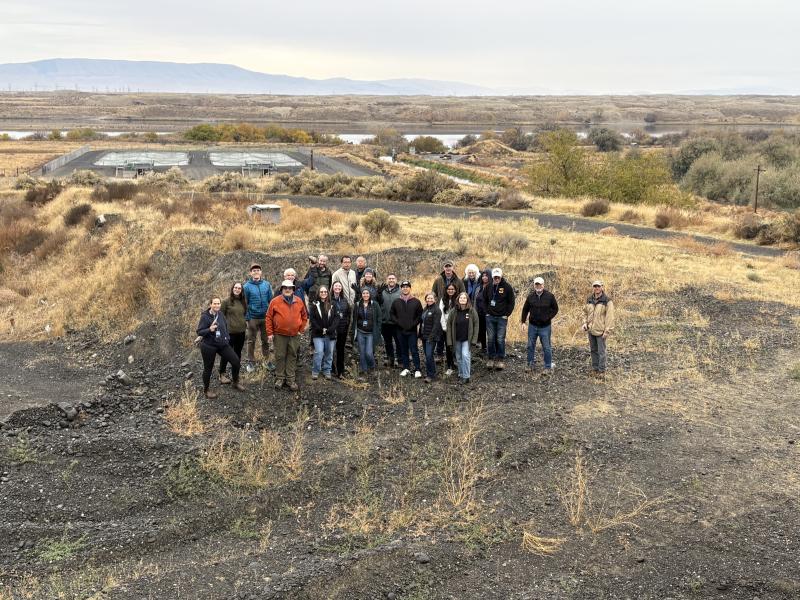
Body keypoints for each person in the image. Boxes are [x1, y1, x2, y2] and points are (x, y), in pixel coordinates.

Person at [196, 296, 244, 398]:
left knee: (236, 361)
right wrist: (209, 329)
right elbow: (199, 332)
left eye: (218, 303)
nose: (217, 305)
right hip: (209, 346)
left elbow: (225, 326)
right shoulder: (205, 316)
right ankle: (206, 390)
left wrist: (226, 337)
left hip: (222, 344)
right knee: (208, 368)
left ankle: (235, 382)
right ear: (210, 304)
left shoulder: (220, 314)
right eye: (215, 303)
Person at [266, 280, 309, 391]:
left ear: (293, 289)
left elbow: (305, 316)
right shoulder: (275, 301)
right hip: (279, 334)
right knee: (280, 356)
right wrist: (270, 333)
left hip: (295, 335)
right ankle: (280, 378)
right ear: (281, 289)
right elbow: (269, 317)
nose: (287, 289)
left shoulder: (299, 301)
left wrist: (301, 329)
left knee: (292, 355)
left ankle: (290, 379)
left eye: (290, 288)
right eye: (285, 287)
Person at [520, 276, 559, 373]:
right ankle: (530, 365)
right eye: (536, 284)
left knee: (546, 347)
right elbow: (525, 309)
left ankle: (547, 367)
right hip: (532, 326)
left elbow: (555, 309)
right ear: (534, 285)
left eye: (540, 284)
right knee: (530, 346)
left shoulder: (550, 296)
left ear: (543, 285)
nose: (538, 286)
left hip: (545, 327)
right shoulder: (530, 297)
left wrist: (548, 317)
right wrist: (523, 322)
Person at [482, 267, 515, 370]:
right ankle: (491, 358)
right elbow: (484, 300)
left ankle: (500, 359)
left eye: (498, 277)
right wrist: (486, 312)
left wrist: (507, 314)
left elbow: (511, 302)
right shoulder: (488, 287)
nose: (496, 279)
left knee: (500, 339)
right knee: (491, 338)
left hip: (502, 318)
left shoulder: (507, 287)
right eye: (495, 277)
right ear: (492, 277)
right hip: (490, 317)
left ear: (501, 277)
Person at [243, 263, 274, 371]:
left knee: (265, 340)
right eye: (254, 270)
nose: (256, 272)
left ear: (261, 272)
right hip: (253, 318)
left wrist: (271, 316)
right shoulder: (246, 286)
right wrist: (247, 318)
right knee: (251, 340)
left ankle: (266, 361)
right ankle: (251, 362)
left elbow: (271, 301)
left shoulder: (266, 284)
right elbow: (244, 303)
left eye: (258, 270)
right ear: (251, 273)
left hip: (265, 317)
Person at [432, 260, 465, 359]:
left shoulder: (458, 281)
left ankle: (452, 355)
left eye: (449, 266)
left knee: (452, 332)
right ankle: (439, 354)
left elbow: (463, 293)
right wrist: (436, 304)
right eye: (446, 266)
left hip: (454, 310)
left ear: (453, 268)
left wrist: (460, 307)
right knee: (440, 332)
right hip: (441, 310)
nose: (448, 268)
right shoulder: (438, 280)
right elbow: (433, 293)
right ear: (443, 268)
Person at [582, 280, 615, 377]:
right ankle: (595, 369)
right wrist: (584, 323)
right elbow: (584, 312)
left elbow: (610, 317)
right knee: (593, 350)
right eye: (595, 286)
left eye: (598, 286)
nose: (596, 288)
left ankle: (602, 371)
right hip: (591, 330)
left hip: (601, 331)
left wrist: (607, 330)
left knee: (601, 351)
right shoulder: (589, 299)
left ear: (602, 287)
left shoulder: (607, 301)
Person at [391, 280, 423, 378]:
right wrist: (398, 322)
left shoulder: (416, 301)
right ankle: (406, 368)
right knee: (403, 350)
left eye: (407, 286)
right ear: (401, 289)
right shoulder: (396, 301)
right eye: (403, 287)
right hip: (400, 330)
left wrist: (414, 324)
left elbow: (420, 315)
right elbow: (392, 314)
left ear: (410, 288)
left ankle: (417, 369)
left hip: (412, 331)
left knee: (414, 350)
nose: (405, 288)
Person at [447, 292, 479, 384]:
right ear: (458, 299)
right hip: (456, 338)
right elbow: (449, 325)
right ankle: (461, 374)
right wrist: (449, 341)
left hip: (467, 339)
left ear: (467, 300)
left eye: (464, 298)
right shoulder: (454, 311)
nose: (462, 299)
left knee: (465, 355)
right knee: (459, 357)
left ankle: (466, 376)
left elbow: (476, 325)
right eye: (461, 298)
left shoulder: (472, 311)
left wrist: (474, 340)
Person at [309, 286, 339, 380]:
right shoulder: (314, 304)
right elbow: (312, 319)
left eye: (325, 291)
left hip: (330, 333)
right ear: (318, 293)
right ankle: (316, 370)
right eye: (321, 292)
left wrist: (330, 329)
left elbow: (336, 318)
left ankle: (327, 370)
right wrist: (320, 329)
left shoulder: (333, 303)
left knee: (329, 353)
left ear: (328, 293)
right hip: (318, 333)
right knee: (319, 352)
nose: (323, 293)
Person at [219, 282, 247, 384]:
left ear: (241, 290)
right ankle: (222, 373)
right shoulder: (226, 302)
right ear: (232, 289)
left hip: (241, 332)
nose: (237, 289)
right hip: (229, 333)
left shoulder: (243, 301)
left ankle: (236, 374)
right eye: (235, 287)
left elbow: (244, 314)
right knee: (226, 354)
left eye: (239, 288)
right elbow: (220, 316)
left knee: (238, 353)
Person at [352, 288, 382, 377]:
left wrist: (378, 329)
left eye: (367, 293)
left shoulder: (374, 304)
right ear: (361, 295)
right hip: (361, 331)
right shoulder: (357, 304)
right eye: (364, 293)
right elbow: (354, 319)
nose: (365, 295)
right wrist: (353, 331)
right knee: (362, 352)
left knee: (369, 353)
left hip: (370, 333)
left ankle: (372, 367)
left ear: (370, 295)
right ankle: (363, 370)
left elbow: (379, 318)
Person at [377, 274, 402, 368]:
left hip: (396, 322)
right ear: (386, 280)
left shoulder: (400, 291)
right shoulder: (382, 290)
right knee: (387, 342)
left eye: (393, 278)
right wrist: (378, 294)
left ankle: (400, 360)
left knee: (398, 342)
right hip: (385, 321)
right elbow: (378, 303)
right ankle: (390, 359)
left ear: (396, 280)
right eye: (389, 278)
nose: (391, 280)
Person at [418, 292, 443, 383]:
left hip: (431, 337)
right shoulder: (425, 309)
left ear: (435, 299)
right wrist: (420, 335)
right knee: (428, 356)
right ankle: (432, 372)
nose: (429, 300)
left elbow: (436, 325)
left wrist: (430, 337)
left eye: (431, 298)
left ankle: (430, 375)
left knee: (429, 355)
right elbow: (422, 323)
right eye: (428, 298)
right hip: (424, 336)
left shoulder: (437, 310)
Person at [330, 281, 351, 378]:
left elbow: (348, 315)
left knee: (340, 350)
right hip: (332, 330)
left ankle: (340, 371)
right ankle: (331, 368)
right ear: (333, 288)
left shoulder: (344, 300)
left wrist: (346, 326)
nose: (337, 287)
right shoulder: (329, 300)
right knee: (330, 350)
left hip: (342, 330)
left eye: (339, 286)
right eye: (336, 286)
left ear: (341, 288)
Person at [439, 283, 459, 376]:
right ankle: (450, 366)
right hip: (446, 327)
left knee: (457, 346)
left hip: (457, 327)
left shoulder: (459, 300)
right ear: (446, 290)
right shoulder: (443, 300)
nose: (450, 291)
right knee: (448, 347)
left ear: (455, 290)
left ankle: (457, 363)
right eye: (449, 289)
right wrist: (444, 327)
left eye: (452, 289)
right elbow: (441, 314)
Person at [474, 269, 491, 354]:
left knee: (491, 332)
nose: (484, 277)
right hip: (479, 313)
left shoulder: (492, 287)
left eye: (486, 276)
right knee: (481, 330)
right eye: (483, 276)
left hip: (489, 314)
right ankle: (484, 347)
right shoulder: (478, 287)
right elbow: (475, 300)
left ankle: (492, 348)